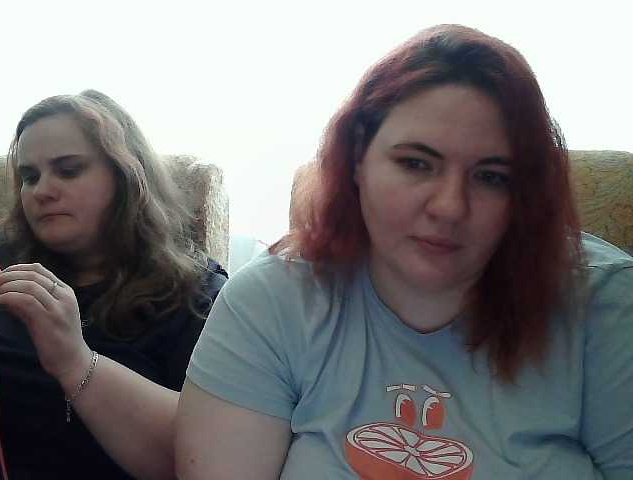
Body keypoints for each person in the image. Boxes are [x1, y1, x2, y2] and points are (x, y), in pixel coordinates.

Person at [175, 24, 633, 479]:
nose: (450, 206)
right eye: (416, 163)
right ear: (358, 157)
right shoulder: (272, 300)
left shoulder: (608, 309)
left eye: (491, 177)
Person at [0, 90, 227, 479]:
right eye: (30, 177)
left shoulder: (195, 296)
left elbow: (212, 452)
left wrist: (74, 360)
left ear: (125, 176)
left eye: (69, 170)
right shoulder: (2, 258)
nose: (42, 191)